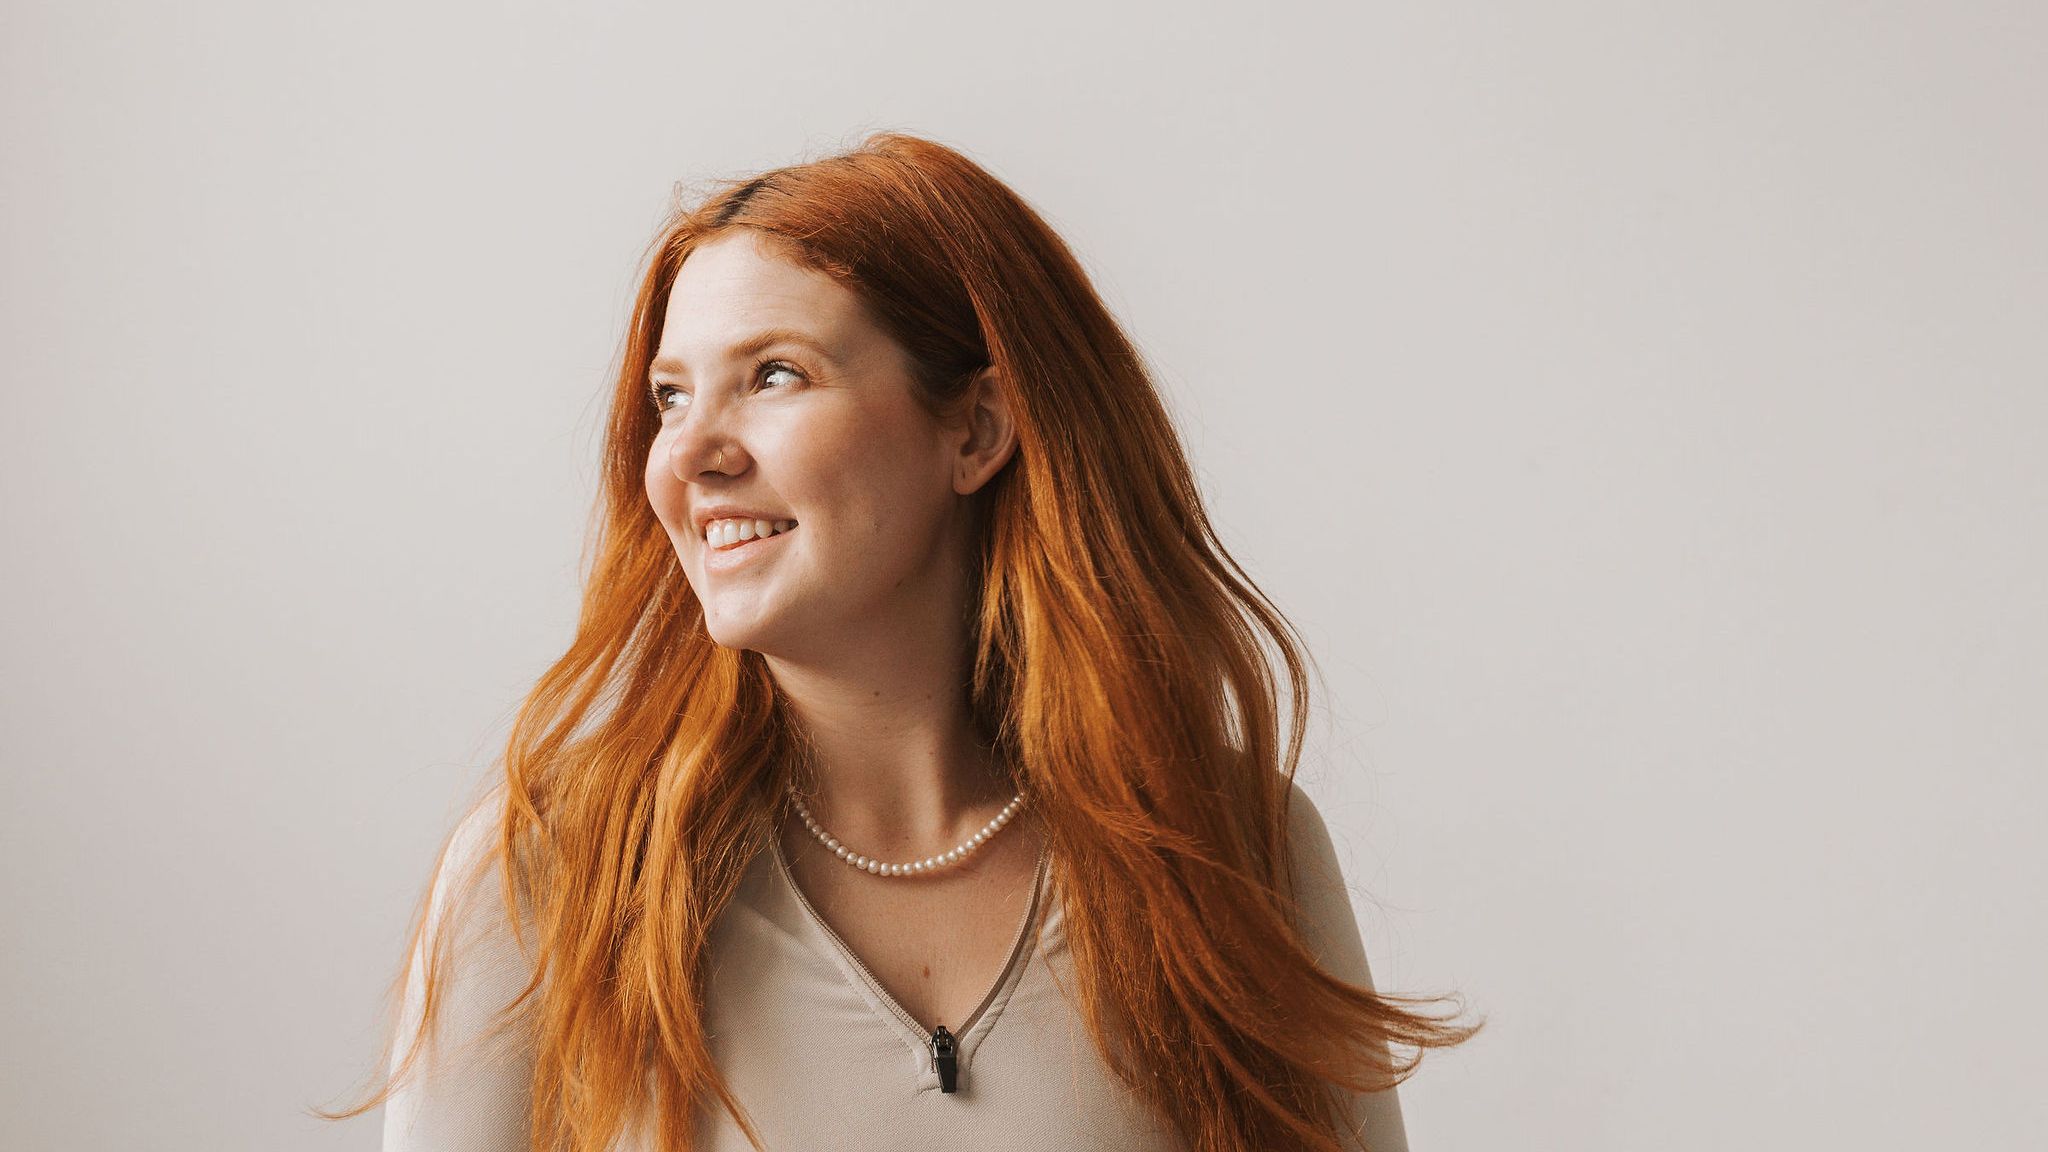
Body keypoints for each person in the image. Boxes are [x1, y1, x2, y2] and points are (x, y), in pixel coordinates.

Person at [320, 132, 1481, 1152]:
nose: (690, 456)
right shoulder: (542, 877)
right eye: (670, 397)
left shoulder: (1234, 847)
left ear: (975, 429)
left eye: (773, 375)